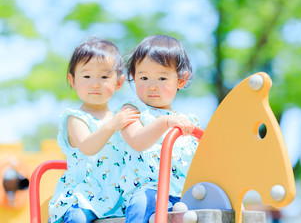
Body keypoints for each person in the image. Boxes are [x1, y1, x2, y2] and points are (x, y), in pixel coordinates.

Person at [48, 38, 139, 223]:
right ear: (72, 80)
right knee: (78, 218)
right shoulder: (75, 118)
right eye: (87, 76)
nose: (95, 84)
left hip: (117, 196)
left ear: (119, 82)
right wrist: (113, 125)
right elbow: (88, 146)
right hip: (85, 196)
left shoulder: (120, 117)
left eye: (104, 77)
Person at [115, 34, 201, 223]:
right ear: (133, 78)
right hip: (149, 191)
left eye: (162, 78)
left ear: (181, 80)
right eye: (144, 77)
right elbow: (137, 141)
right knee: (141, 203)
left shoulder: (188, 123)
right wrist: (164, 123)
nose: (153, 86)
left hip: (188, 195)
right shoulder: (132, 110)